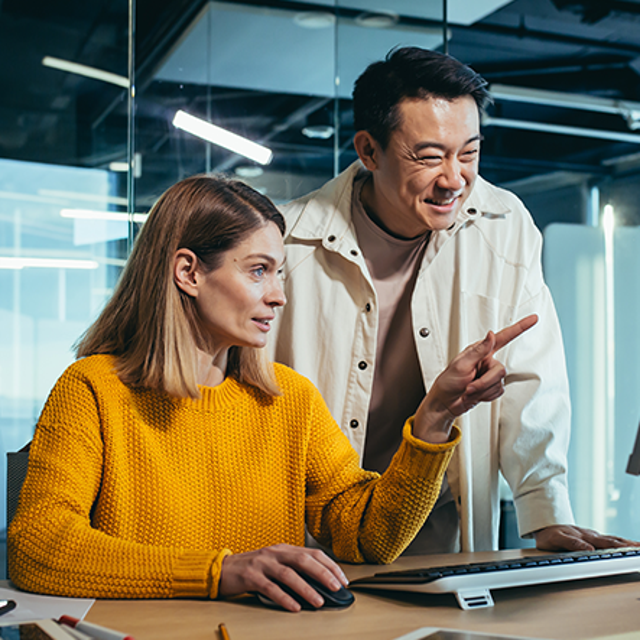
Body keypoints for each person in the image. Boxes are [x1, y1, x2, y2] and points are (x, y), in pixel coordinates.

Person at [8, 175, 534, 612]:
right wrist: (221, 571)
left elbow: (368, 536)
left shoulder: (289, 399)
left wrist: (434, 417)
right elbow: (40, 548)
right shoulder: (92, 390)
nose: (279, 295)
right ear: (188, 271)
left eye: (278, 272)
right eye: (258, 271)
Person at [269, 47, 633, 554]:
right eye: (430, 156)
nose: (455, 178)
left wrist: (545, 511)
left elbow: (533, 377)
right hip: (310, 533)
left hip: (436, 528)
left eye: (469, 153)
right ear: (369, 151)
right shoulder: (286, 242)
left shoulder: (504, 224)